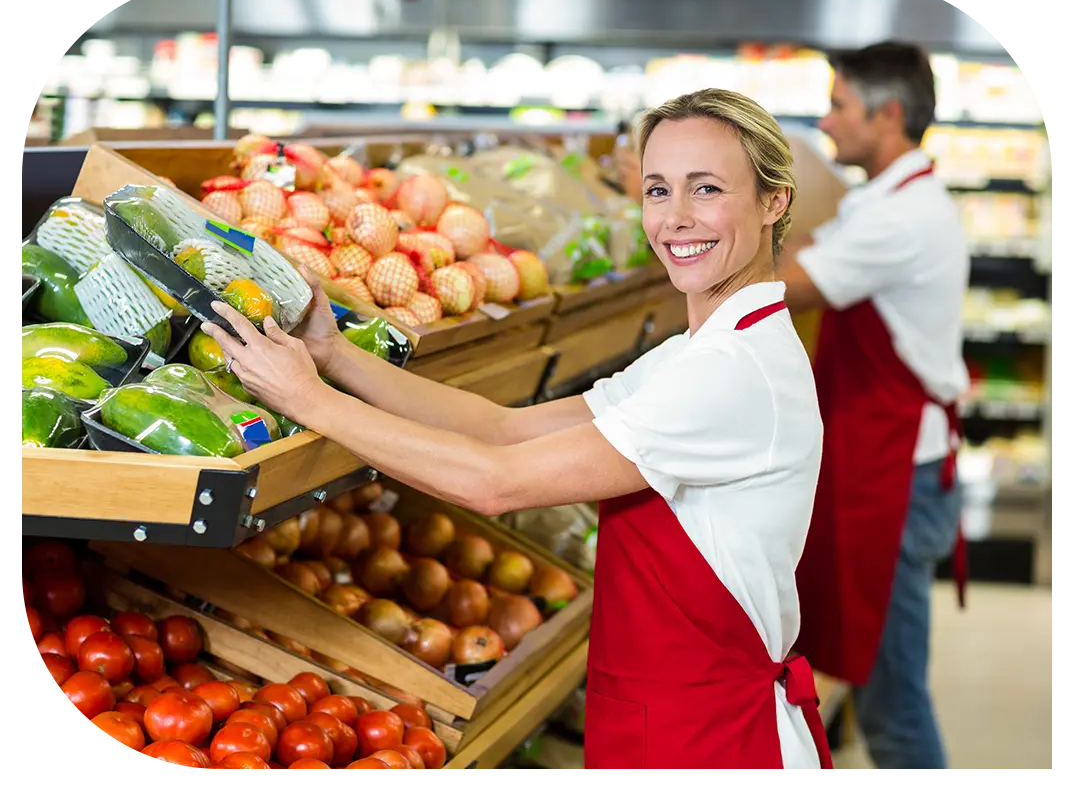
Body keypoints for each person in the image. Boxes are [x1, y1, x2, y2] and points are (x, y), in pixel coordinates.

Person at [203, 88, 833, 774]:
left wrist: (310, 402)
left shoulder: (731, 371)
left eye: (706, 189)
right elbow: (505, 430)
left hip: (712, 741)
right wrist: (335, 358)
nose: (675, 219)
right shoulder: (708, 348)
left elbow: (493, 482)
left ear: (774, 201)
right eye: (657, 190)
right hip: (670, 715)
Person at [775, 42, 970, 775]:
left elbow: (786, 284)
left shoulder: (903, 218)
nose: (826, 122)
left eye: (839, 105)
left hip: (895, 480)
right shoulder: (885, 198)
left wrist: (681, 223)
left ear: (888, 115)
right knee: (874, 680)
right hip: (876, 466)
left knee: (894, 702)